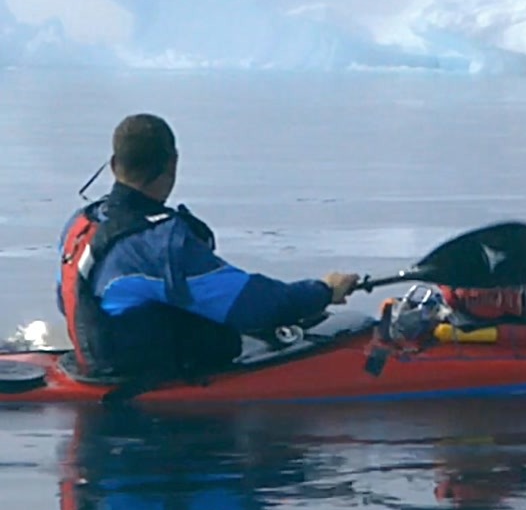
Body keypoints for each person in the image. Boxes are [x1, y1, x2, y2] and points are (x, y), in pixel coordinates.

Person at [57, 114, 359, 382]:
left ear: (113, 165)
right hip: (140, 375)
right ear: (172, 163)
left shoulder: (81, 224)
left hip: (96, 360)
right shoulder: (160, 244)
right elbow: (255, 305)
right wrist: (324, 291)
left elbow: (64, 300)